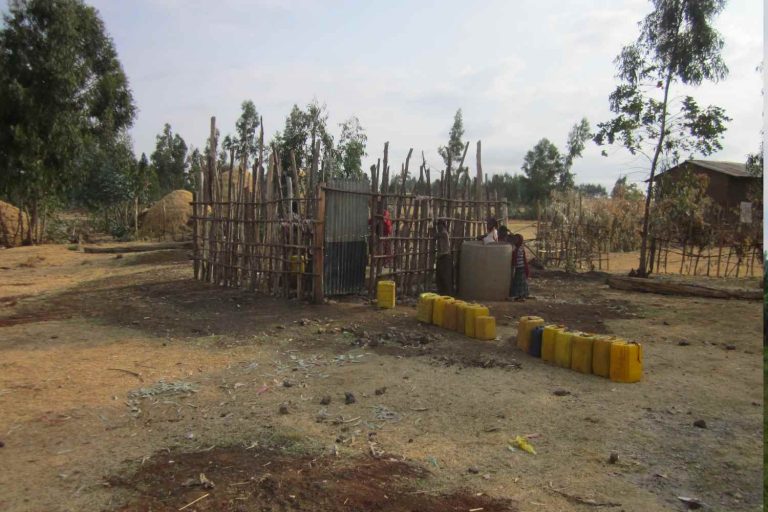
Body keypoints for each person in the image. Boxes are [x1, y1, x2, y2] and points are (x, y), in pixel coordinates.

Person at [510, 233, 529, 300]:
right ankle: (522, 295)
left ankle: (520, 295)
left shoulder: (518, 249)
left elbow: (515, 259)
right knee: (521, 281)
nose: (515, 241)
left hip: (520, 267)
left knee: (519, 281)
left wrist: (513, 266)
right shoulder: (519, 248)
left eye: (516, 240)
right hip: (521, 267)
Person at [435, 218, 452, 294]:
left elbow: (436, 236)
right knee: (440, 278)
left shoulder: (444, 233)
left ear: (443, 226)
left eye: (440, 225)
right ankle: (443, 294)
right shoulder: (442, 233)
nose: (439, 227)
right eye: (438, 225)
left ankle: (447, 294)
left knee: (445, 278)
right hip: (442, 258)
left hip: (445, 257)